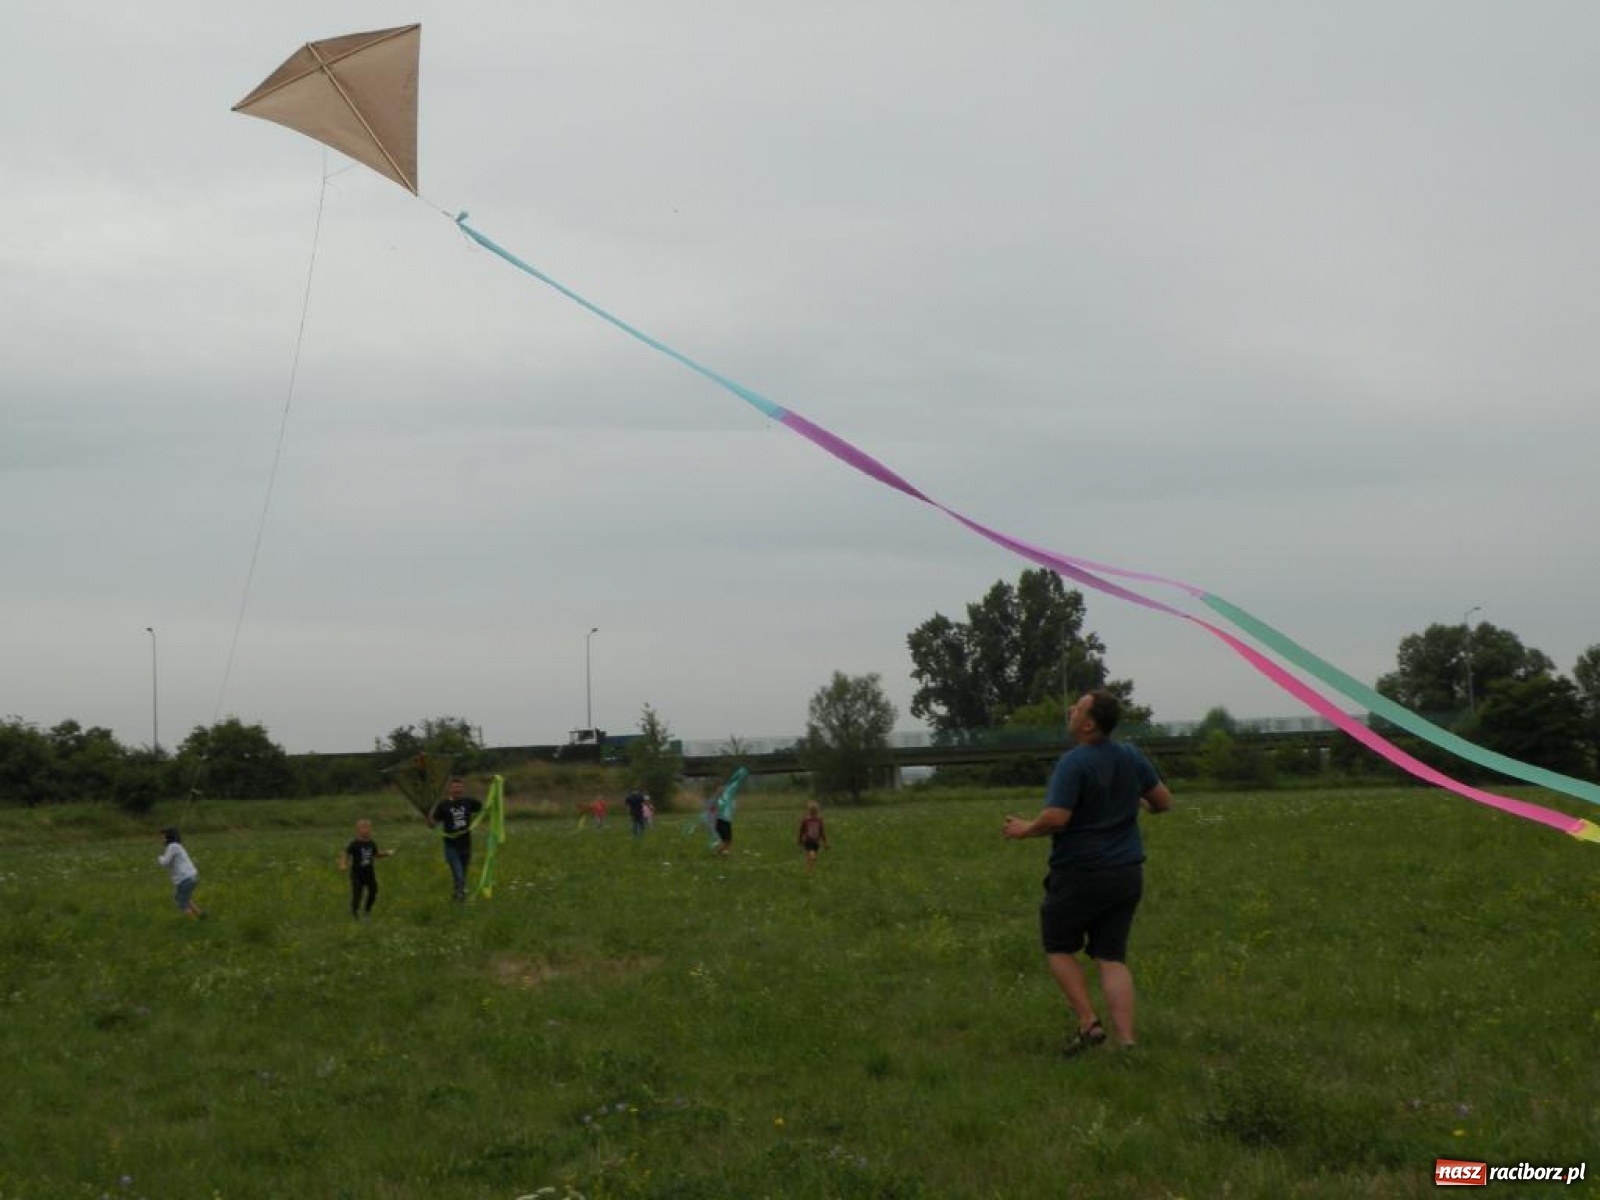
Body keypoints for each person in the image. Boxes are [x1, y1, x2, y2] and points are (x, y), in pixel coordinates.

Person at [1003, 689, 1172, 1054]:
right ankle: (1127, 1043)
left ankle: (1089, 1023)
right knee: (1111, 957)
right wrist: (1137, 802)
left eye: (1078, 708)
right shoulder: (1130, 755)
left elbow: (1057, 818)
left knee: (1058, 945)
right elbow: (1163, 802)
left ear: (1089, 724)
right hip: (1126, 873)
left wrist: (1025, 829)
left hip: (1081, 872)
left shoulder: (1074, 763)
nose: (1070, 710)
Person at [428, 777, 482, 903]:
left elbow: (484, 807)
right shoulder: (443, 805)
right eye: (455, 787)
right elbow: (433, 824)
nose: (458, 790)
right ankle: (460, 898)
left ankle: (458, 895)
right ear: (450, 789)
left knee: (462, 874)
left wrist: (495, 791)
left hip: (466, 845)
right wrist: (428, 819)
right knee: (458, 874)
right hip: (451, 845)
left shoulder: (469, 802)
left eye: (459, 787)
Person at [339, 818, 395, 920]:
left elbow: (376, 854)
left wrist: (387, 853)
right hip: (357, 874)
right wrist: (343, 864)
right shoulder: (354, 843)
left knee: (373, 891)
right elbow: (346, 853)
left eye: (368, 828)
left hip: (369, 874)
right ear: (358, 830)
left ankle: (367, 910)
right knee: (357, 894)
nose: (366, 830)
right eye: (363, 828)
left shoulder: (371, 843)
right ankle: (355, 913)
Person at [157, 827, 204, 918]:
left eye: (162, 837)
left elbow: (165, 863)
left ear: (168, 837)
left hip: (185, 878)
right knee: (182, 897)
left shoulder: (172, 846)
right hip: (192, 876)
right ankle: (200, 914)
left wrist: (160, 858)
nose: (161, 840)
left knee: (181, 902)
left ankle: (193, 921)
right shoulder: (177, 846)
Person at [797, 800, 829, 873]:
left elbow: (801, 831)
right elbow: (822, 832)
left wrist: (799, 840)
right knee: (811, 855)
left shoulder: (807, 819)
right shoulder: (818, 820)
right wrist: (825, 842)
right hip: (814, 841)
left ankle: (809, 869)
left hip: (810, 840)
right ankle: (809, 869)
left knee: (809, 855)